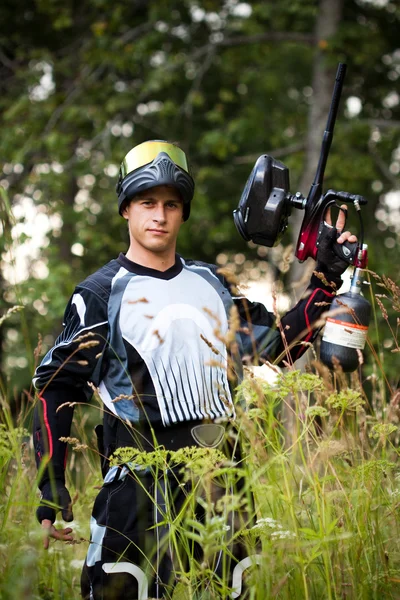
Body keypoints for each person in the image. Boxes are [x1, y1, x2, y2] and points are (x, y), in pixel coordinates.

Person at [33, 140, 357, 599]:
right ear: (126, 209)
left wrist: (327, 277)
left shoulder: (212, 284)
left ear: (183, 212)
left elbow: (279, 346)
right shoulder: (100, 294)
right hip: (138, 485)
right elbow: (56, 391)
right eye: (147, 203)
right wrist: (52, 487)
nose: (159, 216)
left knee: (230, 591)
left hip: (222, 477)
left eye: (171, 204)